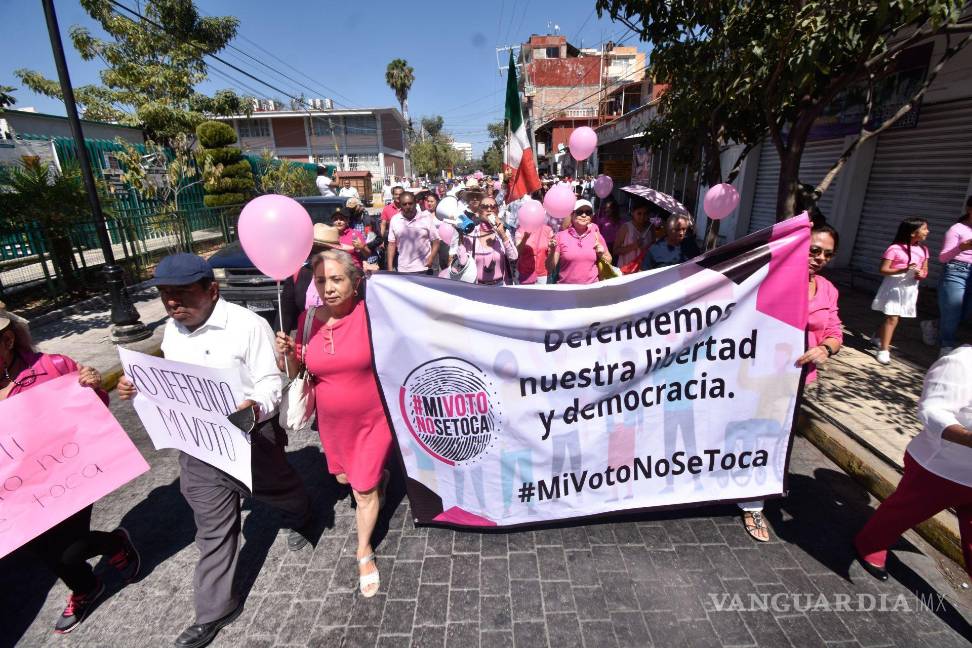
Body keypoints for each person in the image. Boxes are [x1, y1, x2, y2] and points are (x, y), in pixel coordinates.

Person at [118, 254, 311, 648]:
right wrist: (137, 385)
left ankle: (301, 513)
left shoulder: (248, 326)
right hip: (199, 446)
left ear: (212, 290)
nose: (172, 304)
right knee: (213, 528)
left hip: (252, 436)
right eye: (165, 295)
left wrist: (253, 408)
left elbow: (270, 383)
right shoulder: (173, 331)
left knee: (278, 490)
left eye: (183, 293)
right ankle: (215, 610)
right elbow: (173, 381)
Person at [0, 302, 140, 635]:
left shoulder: (52, 366)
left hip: (66, 476)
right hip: (15, 492)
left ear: (6, 341)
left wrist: (91, 386)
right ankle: (85, 587)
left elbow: (95, 411)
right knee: (38, 547)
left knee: (68, 549)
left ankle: (114, 544)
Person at [275, 250, 392, 597]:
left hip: (374, 419)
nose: (328, 288)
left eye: (336, 279)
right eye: (321, 280)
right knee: (344, 477)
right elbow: (298, 373)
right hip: (332, 424)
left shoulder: (373, 314)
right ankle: (380, 477)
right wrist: (286, 355)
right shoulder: (308, 319)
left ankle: (364, 552)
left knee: (363, 489)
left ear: (355, 282)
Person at [739, 223, 844, 542]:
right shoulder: (772, 280)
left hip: (797, 379)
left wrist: (826, 348)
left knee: (774, 435)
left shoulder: (827, 288)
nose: (820, 258)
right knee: (755, 430)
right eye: (814, 250)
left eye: (827, 253)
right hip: (760, 375)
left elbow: (835, 329)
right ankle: (750, 500)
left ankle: (752, 497)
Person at [854, 345, 972, 581]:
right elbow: (932, 410)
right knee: (902, 513)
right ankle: (871, 543)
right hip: (939, 469)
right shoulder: (963, 362)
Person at [870, 218, 930, 365]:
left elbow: (925, 269)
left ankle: (877, 336)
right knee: (892, 318)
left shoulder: (924, 250)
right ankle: (884, 350)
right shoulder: (895, 249)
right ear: (912, 233)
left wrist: (921, 274)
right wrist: (903, 269)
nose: (927, 231)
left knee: (893, 317)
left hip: (910, 287)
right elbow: (883, 269)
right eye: (924, 228)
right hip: (894, 286)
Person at [453, 195, 519, 285]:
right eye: (484, 207)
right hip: (477, 286)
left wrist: (503, 235)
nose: (489, 209)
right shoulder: (472, 233)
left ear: (497, 210)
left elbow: (513, 257)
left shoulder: (503, 232)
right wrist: (461, 236)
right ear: (479, 212)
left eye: (493, 207)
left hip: (501, 286)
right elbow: (462, 262)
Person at [547, 199, 611, 285]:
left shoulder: (596, 234)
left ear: (591, 216)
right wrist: (552, 251)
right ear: (572, 215)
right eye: (580, 212)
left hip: (591, 290)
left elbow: (609, 260)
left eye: (588, 212)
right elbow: (550, 268)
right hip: (567, 290)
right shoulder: (560, 236)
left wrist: (601, 254)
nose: (584, 215)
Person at [937, 196, 972, 355]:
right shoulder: (957, 229)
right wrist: (961, 247)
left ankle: (933, 325)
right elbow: (943, 257)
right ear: (969, 209)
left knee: (965, 313)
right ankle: (946, 346)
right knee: (952, 311)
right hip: (956, 271)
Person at [387, 191, 441, 275]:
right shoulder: (395, 220)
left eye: (410, 203)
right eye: (404, 204)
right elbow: (391, 244)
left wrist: (431, 258)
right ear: (400, 205)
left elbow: (436, 241)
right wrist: (390, 267)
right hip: (404, 270)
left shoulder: (426, 218)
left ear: (415, 203)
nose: (408, 206)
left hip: (424, 268)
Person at [613, 200, 654, 273]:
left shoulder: (651, 228)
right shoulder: (626, 227)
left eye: (645, 213)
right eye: (639, 213)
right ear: (632, 213)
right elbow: (615, 250)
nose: (642, 216)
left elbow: (653, 248)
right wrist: (633, 246)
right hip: (626, 269)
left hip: (643, 270)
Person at [515, 219, 554, 285]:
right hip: (525, 274)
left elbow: (551, 253)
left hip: (543, 275)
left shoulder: (548, 230)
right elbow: (518, 252)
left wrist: (553, 248)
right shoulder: (520, 230)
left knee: (543, 295)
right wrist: (525, 238)